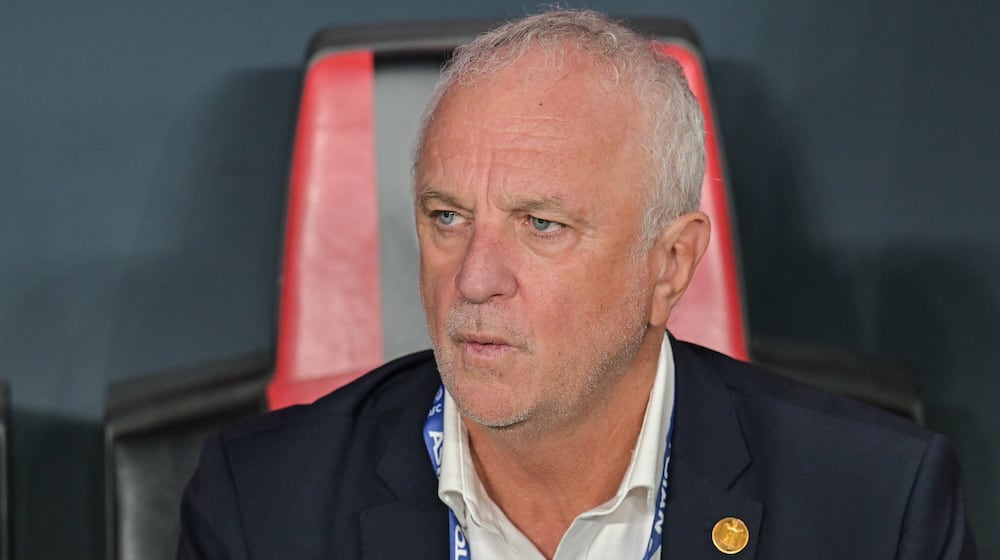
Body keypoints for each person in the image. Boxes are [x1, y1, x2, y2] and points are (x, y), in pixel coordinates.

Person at [177, 9, 976, 559]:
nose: (474, 280)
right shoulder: (262, 506)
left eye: (541, 225)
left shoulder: (877, 509)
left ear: (670, 264)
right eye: (447, 217)